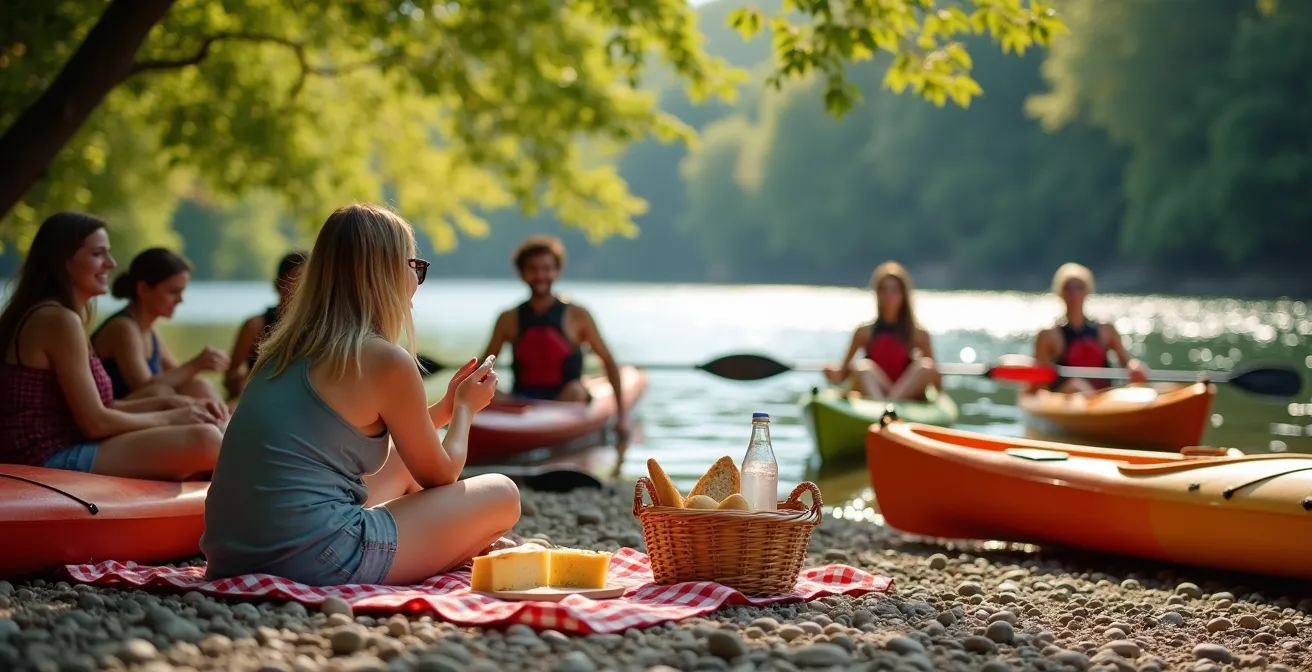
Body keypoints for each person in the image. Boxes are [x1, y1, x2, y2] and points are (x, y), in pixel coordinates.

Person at [200, 203, 520, 587]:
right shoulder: (383, 359)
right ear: (383, 272)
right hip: (313, 559)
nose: (416, 280)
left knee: (404, 463)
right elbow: (442, 473)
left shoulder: (280, 351)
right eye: (414, 265)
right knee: (503, 493)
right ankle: (441, 542)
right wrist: (467, 411)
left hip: (232, 554)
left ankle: (436, 537)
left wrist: (447, 407)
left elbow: (356, 433)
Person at [0, 212, 225, 479]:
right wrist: (170, 417)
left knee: (205, 419)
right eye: (98, 254)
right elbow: (94, 423)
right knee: (206, 439)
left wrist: (171, 404)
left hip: (68, 442)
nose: (111, 263)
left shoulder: (58, 316)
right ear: (63, 260)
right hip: (47, 457)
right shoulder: (58, 320)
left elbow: (100, 408)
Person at [479, 234, 629, 441]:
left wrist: (622, 419)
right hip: (522, 400)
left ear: (556, 272)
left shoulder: (578, 315)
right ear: (522, 273)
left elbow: (609, 362)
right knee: (492, 391)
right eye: (533, 269)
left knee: (576, 390)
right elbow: (481, 368)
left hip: (566, 399)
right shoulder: (508, 319)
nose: (540, 275)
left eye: (547, 268)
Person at [90, 248, 230, 413]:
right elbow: (144, 387)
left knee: (198, 385)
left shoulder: (150, 330)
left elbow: (177, 374)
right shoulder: (123, 328)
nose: (181, 300)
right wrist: (196, 364)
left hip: (143, 416)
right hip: (114, 415)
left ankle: (229, 430)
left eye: (182, 291)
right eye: (173, 292)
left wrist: (203, 364)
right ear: (143, 289)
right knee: (160, 393)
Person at [824, 261, 939, 400]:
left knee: (925, 366)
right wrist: (833, 372)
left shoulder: (919, 334)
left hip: (906, 392)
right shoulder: (863, 332)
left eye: (894, 290)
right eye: (883, 290)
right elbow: (843, 373)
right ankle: (884, 406)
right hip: (875, 389)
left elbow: (935, 377)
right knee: (864, 368)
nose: (888, 296)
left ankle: (890, 403)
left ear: (903, 295)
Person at [1033, 262, 1148, 395]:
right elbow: (1038, 382)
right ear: (1059, 292)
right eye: (1067, 288)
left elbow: (1126, 362)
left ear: (1087, 291)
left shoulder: (1106, 329)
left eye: (1079, 287)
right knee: (1076, 386)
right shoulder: (1049, 334)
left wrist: (1135, 367)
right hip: (1066, 398)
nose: (1073, 293)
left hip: (1103, 396)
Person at [224, 251, 308, 401]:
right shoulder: (255, 325)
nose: (304, 287)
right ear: (279, 284)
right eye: (297, 280)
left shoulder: (320, 328)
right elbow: (230, 379)